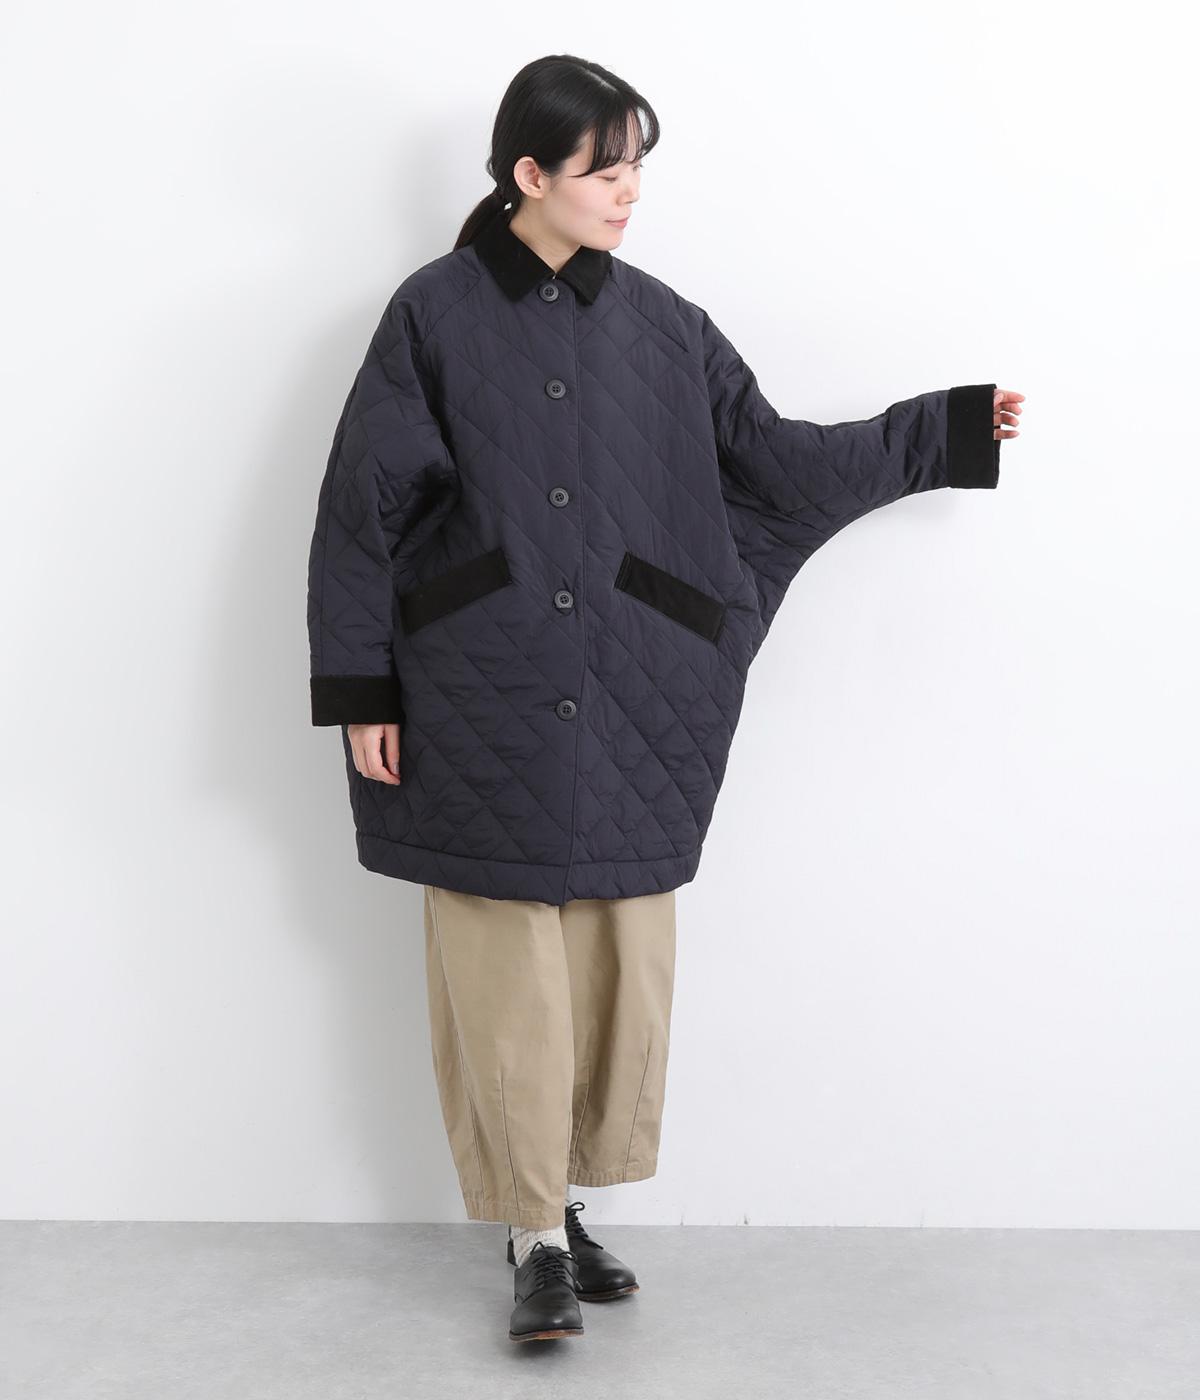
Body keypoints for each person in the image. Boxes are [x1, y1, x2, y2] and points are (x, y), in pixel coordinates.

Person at [305, 53, 1024, 1345]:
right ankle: (531, 1236)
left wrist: (941, 432)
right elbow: (365, 505)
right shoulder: (433, 313)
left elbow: (777, 464)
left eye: (639, 163)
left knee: (617, 956)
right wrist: (365, 687)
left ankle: (566, 1204)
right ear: (530, 174)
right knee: (502, 960)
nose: (631, 190)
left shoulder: (667, 324)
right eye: (606, 168)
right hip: (479, 684)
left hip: (632, 684)